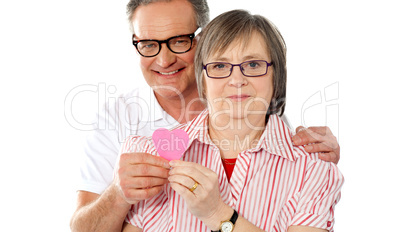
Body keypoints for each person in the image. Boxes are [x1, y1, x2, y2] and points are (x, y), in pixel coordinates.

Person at [70, 0, 341, 231]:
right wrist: (119, 194)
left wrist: (218, 215)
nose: (164, 61)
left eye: (178, 41)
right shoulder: (133, 136)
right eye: (149, 44)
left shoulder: (304, 160)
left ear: (201, 41)